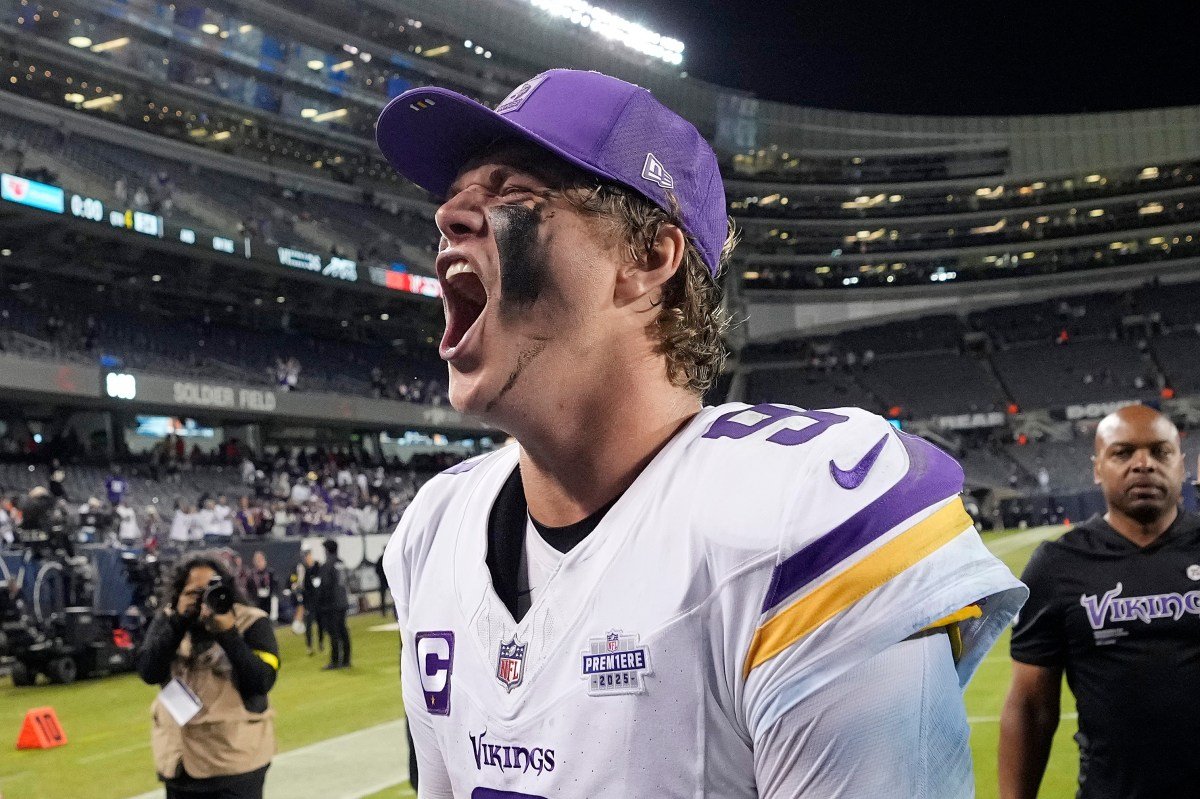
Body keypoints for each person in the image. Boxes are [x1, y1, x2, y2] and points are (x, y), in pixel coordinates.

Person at [377, 68, 1025, 798]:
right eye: (453, 199)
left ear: (648, 258)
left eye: (513, 196)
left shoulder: (794, 518)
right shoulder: (436, 528)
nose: (449, 218)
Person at [999, 405, 1200, 799]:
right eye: (1122, 453)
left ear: (1181, 464)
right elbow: (1030, 707)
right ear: (1097, 469)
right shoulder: (1057, 564)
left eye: (1160, 452)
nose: (1143, 464)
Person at [136, 553, 279, 799]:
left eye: (210, 591)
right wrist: (179, 622)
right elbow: (149, 672)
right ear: (178, 594)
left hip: (234, 763)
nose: (203, 600)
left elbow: (261, 681)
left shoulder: (251, 622)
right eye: (194, 592)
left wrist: (228, 633)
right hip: (180, 763)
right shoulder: (168, 621)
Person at [316, 538, 351, 670]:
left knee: (334, 632)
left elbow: (325, 585)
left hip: (332, 604)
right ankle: (346, 659)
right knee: (343, 630)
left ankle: (335, 660)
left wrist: (321, 603)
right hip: (343, 601)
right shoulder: (341, 563)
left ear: (327, 550)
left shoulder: (327, 565)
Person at [294, 548, 323, 656]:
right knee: (309, 624)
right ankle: (309, 646)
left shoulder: (317, 566)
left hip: (318, 600)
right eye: (306, 556)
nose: (307, 558)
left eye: (308, 555)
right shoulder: (302, 568)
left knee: (320, 623)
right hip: (308, 601)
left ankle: (320, 642)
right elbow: (300, 584)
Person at [244, 551, 278, 620]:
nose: (259, 562)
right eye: (257, 560)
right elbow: (248, 589)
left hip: (269, 600)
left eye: (261, 560)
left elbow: (275, 586)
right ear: (253, 562)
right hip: (256, 601)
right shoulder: (251, 575)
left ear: (265, 561)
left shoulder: (270, 573)